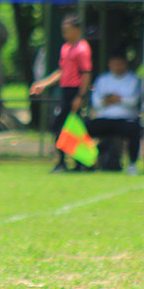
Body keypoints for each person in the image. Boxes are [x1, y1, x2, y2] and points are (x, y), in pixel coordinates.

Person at [29, 14, 93, 171]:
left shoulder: (82, 49)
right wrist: (43, 84)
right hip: (65, 90)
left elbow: (86, 73)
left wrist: (80, 96)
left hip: (75, 91)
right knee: (63, 126)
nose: (64, 34)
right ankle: (70, 162)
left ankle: (72, 162)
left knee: (69, 127)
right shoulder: (65, 48)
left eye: (67, 30)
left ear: (76, 30)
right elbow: (61, 71)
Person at [87, 51, 141, 173]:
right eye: (114, 64)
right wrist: (113, 100)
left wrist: (116, 99)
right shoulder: (102, 79)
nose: (117, 67)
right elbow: (96, 103)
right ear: (109, 65)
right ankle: (84, 163)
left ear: (125, 64)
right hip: (105, 118)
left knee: (134, 130)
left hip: (125, 119)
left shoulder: (133, 80)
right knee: (84, 128)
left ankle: (132, 164)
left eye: (120, 64)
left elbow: (133, 101)